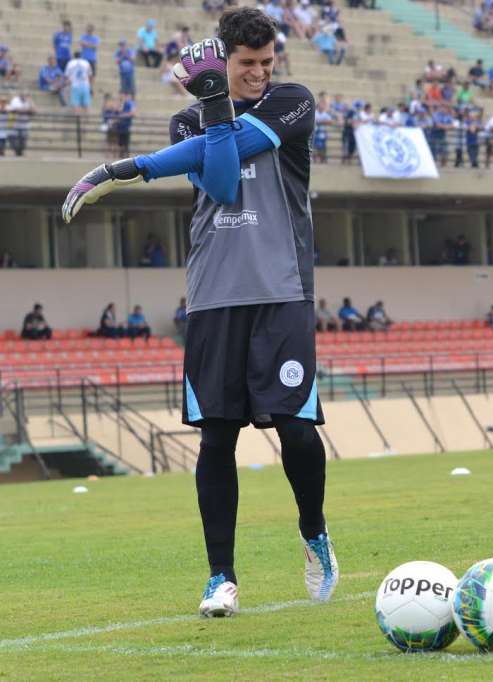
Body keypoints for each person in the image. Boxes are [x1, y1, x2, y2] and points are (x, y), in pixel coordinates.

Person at [60, 9, 338, 617]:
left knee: (295, 427)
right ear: (225, 60)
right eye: (246, 65)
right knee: (217, 438)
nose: (261, 73)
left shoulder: (294, 101)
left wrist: (125, 168)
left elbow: (229, 162)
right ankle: (221, 577)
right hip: (214, 295)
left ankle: (314, 533)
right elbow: (219, 181)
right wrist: (212, 107)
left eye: (267, 62)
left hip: (282, 290)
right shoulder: (191, 114)